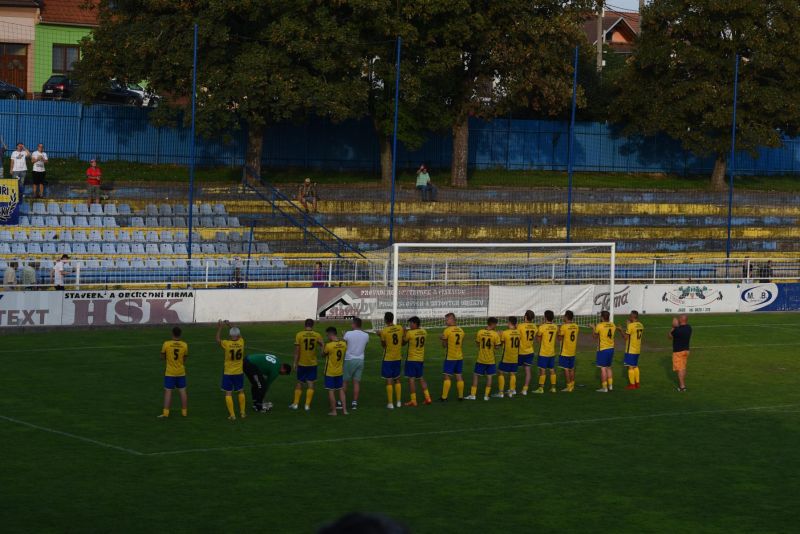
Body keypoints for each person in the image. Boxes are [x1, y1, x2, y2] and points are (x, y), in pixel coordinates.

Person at [216, 320, 246, 420]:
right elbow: (238, 334)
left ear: (230, 335)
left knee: (228, 393)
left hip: (228, 372)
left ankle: (232, 415)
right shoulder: (241, 342)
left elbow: (217, 340)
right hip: (239, 372)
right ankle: (242, 413)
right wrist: (230, 325)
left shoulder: (227, 343)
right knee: (241, 391)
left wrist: (220, 327)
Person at [291, 318, 323, 411]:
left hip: (302, 363)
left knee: (299, 382)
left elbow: (297, 351)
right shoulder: (317, 335)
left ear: (305, 325)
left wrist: (295, 362)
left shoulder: (299, 334)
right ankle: (307, 405)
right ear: (312, 325)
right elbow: (322, 347)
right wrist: (322, 345)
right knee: (311, 383)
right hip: (312, 363)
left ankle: (296, 404)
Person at [158, 327, 189, 418]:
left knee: (168, 392)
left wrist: (167, 359)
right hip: (181, 372)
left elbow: (162, 357)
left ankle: (166, 413)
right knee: (182, 391)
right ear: (180, 334)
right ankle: (184, 413)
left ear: (172, 333)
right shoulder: (184, 345)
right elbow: (185, 359)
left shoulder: (166, 344)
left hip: (170, 372)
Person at [468, 317, 501, 400]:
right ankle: (486, 396)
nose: (496, 326)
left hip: (481, 359)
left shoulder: (480, 332)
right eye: (495, 324)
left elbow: (477, 344)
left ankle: (473, 395)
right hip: (491, 360)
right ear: (493, 324)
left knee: (476, 375)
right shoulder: (495, 334)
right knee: (489, 376)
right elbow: (497, 347)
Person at [402, 316, 432, 406]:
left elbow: (403, 343)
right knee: (421, 378)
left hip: (411, 360)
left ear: (415, 323)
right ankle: (428, 398)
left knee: (411, 379)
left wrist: (404, 332)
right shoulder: (424, 332)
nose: (409, 325)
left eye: (411, 323)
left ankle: (413, 400)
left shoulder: (410, 333)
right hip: (420, 359)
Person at [343, 317, 369, 410]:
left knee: (345, 381)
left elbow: (344, 345)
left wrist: (343, 335)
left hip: (349, 359)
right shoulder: (366, 335)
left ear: (354, 324)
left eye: (352, 323)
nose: (351, 325)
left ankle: (340, 402)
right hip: (360, 360)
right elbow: (365, 346)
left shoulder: (348, 333)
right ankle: (354, 402)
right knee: (356, 382)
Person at [379, 311, 404, 409]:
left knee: (389, 379)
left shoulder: (384, 331)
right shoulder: (400, 328)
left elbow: (383, 346)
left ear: (385, 320)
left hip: (388, 358)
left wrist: (379, 336)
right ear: (393, 318)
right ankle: (398, 402)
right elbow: (401, 340)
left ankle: (390, 403)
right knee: (397, 378)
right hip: (397, 357)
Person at [439, 312, 465, 401]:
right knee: (459, 376)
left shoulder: (447, 330)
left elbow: (444, 345)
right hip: (459, 357)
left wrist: (441, 339)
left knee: (446, 376)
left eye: (447, 319)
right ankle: (460, 396)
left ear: (452, 319)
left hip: (450, 357)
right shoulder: (461, 330)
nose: (446, 321)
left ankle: (444, 397)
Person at [322, 327, 348, 416]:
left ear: (330, 334)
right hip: (339, 371)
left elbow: (323, 354)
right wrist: (343, 337)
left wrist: (322, 345)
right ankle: (344, 410)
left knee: (331, 391)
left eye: (327, 335)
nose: (327, 337)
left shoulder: (329, 345)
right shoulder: (344, 344)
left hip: (330, 372)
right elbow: (344, 343)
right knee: (340, 390)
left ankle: (334, 411)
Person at [534, 310, 559, 394]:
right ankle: (553, 388)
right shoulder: (555, 327)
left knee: (542, 370)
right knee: (552, 369)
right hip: (551, 352)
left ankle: (541, 388)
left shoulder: (542, 327)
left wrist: (539, 328)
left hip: (543, 352)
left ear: (545, 317)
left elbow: (538, 340)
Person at [592, 310, 618, 393]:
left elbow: (595, 336)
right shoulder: (613, 325)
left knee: (603, 368)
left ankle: (604, 388)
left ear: (602, 317)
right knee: (609, 367)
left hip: (603, 349)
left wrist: (593, 327)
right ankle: (610, 386)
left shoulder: (599, 325)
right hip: (611, 348)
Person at [496, 316, 521, 398]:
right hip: (515, 357)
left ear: (510, 323)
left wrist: (499, 335)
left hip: (506, 357)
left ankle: (500, 393)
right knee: (513, 374)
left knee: (500, 372)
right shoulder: (518, 332)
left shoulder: (505, 333)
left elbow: (500, 344)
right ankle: (511, 391)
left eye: (507, 322)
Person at [669, 314, 692, 392]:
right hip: (686, 351)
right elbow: (681, 327)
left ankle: (682, 387)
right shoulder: (689, 328)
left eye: (679, 318)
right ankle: (683, 385)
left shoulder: (677, 330)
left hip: (678, 352)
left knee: (680, 369)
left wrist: (673, 327)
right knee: (683, 367)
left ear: (681, 320)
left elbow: (669, 336)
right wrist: (676, 326)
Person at [557, 310, 580, 392]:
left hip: (565, 351)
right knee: (572, 368)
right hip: (572, 351)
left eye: (564, 316)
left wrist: (558, 330)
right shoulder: (576, 326)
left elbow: (559, 338)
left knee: (566, 369)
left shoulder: (564, 326)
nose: (563, 317)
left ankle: (568, 386)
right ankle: (572, 385)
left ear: (566, 317)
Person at [622, 311, 645, 390]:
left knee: (630, 367)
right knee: (635, 366)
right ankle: (637, 383)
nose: (629, 317)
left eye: (630, 316)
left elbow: (625, 338)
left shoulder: (630, 326)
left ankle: (632, 385)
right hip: (637, 349)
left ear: (632, 317)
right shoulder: (641, 325)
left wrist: (621, 329)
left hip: (630, 349)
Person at [517, 310, 537, 395]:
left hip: (520, 352)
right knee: (528, 371)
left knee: (513, 370)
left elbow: (517, 338)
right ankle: (525, 390)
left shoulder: (520, 326)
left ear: (525, 316)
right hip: (530, 351)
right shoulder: (535, 327)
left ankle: (512, 388)